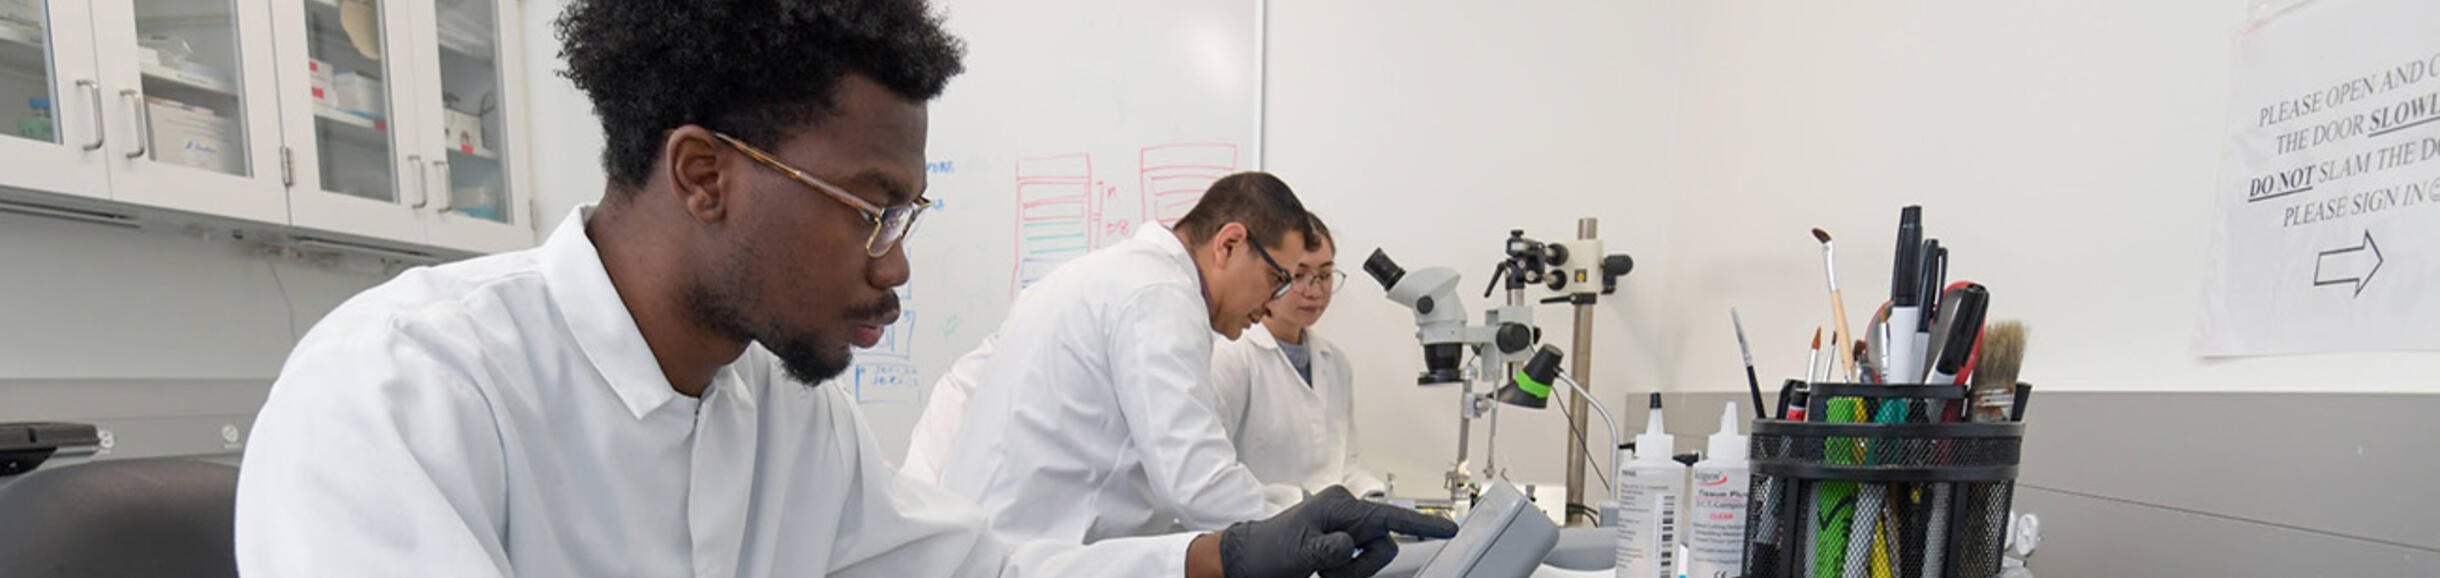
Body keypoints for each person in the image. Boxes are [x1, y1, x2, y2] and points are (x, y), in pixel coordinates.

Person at [230, 1, 1452, 577]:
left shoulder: (777, 404)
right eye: (871, 208)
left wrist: (1228, 556)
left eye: (906, 215)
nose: (895, 262)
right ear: (703, 174)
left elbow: (980, 571)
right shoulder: (405, 385)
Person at [931, 173, 1321, 544]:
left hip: (1003, 543)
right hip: (1029, 553)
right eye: (1277, 279)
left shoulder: (1107, 275)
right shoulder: (1160, 296)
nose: (1272, 303)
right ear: (1229, 244)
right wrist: (1304, 536)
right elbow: (1196, 482)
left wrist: (1289, 511)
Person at [1207, 216, 1389, 499]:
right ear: (1270, 275)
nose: (1314, 291)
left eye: (1324, 276)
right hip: (1259, 520)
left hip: (1324, 522)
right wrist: (1300, 502)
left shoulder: (1335, 363)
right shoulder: (1231, 357)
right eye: (1298, 276)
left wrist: (1373, 497)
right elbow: (1213, 473)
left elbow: (1344, 466)